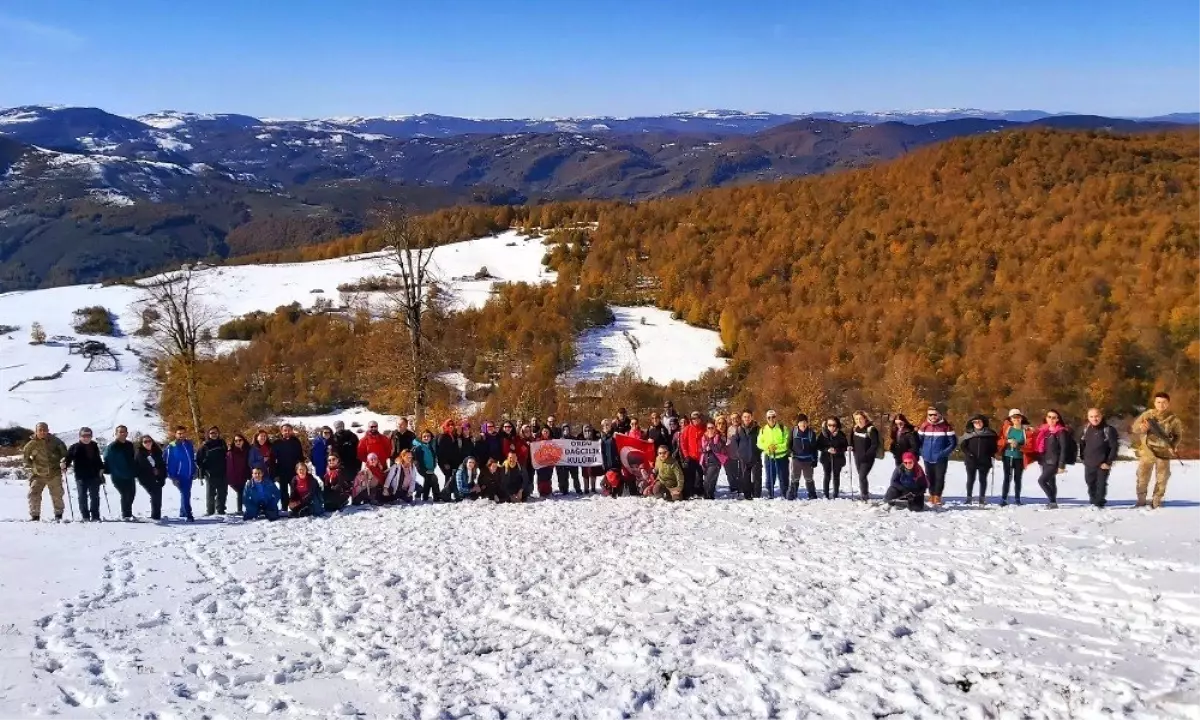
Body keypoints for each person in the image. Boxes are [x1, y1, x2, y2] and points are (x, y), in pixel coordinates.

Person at [1133, 392, 1184, 509]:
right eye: (1158, 402)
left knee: (1162, 479)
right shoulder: (1147, 415)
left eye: (1164, 402)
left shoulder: (1173, 419)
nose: (1161, 405)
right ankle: (1141, 500)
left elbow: (1178, 435)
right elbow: (1135, 428)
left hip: (1164, 453)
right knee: (1142, 477)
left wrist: (1173, 446)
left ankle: (1157, 501)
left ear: (1168, 404)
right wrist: (1141, 428)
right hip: (1147, 451)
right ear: (1154, 403)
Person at [23, 422, 68, 522]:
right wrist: (34, 466)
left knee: (57, 494)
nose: (43, 432)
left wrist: (64, 463)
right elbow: (25, 458)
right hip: (38, 475)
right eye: (40, 430)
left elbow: (65, 454)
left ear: (48, 430)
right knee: (33, 493)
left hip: (54, 473)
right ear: (36, 431)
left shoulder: (56, 442)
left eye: (45, 430)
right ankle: (35, 516)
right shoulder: (31, 444)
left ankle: (58, 515)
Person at [1032, 409, 1074, 509]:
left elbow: (1064, 449)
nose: (1051, 419)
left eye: (1054, 417)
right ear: (1046, 418)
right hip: (1044, 460)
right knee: (1051, 482)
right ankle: (1053, 502)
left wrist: (1061, 465)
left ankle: (1052, 501)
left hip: (1054, 461)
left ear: (1057, 419)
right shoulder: (1044, 430)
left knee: (1041, 481)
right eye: (1049, 417)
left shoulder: (1061, 432)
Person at [1079, 408, 1119, 509]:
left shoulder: (1109, 430)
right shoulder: (1086, 428)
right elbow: (1082, 443)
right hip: (1089, 462)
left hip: (1102, 463)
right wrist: (1083, 456)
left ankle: (1099, 503)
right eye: (1091, 416)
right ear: (1088, 417)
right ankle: (1094, 500)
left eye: (1096, 416)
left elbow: (1114, 447)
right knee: (1090, 482)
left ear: (1101, 416)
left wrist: (1108, 462)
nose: (1094, 419)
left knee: (1101, 485)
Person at [64, 426, 105, 522]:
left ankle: (95, 516)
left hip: (94, 475)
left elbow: (98, 459)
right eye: (84, 435)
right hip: (81, 476)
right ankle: (85, 516)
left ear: (91, 436)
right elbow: (68, 458)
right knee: (82, 496)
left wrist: (101, 468)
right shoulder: (74, 447)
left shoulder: (94, 446)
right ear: (80, 436)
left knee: (95, 496)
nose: (86, 437)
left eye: (88, 435)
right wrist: (64, 465)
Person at [917, 408, 956, 507]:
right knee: (929, 477)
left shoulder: (946, 427)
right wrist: (922, 452)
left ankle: (937, 496)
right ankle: (931, 494)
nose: (932, 417)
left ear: (939, 415)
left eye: (935, 414)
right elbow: (918, 442)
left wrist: (943, 453)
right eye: (930, 415)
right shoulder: (924, 426)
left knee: (939, 477)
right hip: (927, 457)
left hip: (940, 458)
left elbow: (953, 443)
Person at [959, 415, 998, 505]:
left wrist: (991, 453)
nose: (978, 424)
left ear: (983, 422)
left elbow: (994, 447)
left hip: (985, 460)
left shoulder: (990, 434)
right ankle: (969, 497)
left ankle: (982, 498)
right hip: (971, 460)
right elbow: (963, 446)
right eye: (975, 422)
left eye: (979, 421)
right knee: (970, 479)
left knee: (983, 479)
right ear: (972, 424)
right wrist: (969, 454)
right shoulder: (968, 433)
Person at [103, 425, 138, 521]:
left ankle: (128, 513)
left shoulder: (129, 445)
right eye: (120, 432)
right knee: (125, 493)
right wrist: (105, 470)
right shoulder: (112, 446)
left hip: (129, 474)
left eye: (124, 432)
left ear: (127, 433)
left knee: (132, 494)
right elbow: (106, 459)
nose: (122, 434)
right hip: (117, 475)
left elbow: (132, 458)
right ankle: (126, 515)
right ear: (116, 433)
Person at [997, 409, 1030, 506]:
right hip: (1008, 456)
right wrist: (1008, 442)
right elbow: (999, 441)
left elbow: (1029, 445)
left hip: (1019, 457)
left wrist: (1019, 446)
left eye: (1018, 417)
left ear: (1021, 418)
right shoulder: (1007, 429)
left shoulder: (1026, 431)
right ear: (1010, 419)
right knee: (1007, 477)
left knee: (1018, 478)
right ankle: (1004, 498)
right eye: (1014, 417)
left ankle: (1017, 498)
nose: (1016, 419)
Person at [165, 426, 197, 522]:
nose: (181, 435)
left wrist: (194, 470)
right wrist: (173, 477)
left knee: (186, 494)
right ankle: (188, 514)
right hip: (179, 476)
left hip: (189, 474)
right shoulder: (172, 446)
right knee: (185, 493)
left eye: (183, 433)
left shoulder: (189, 444)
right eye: (179, 433)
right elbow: (168, 462)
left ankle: (182, 512)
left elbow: (191, 459)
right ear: (175, 434)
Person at [197, 426, 229, 516]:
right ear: (208, 434)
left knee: (222, 492)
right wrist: (202, 472)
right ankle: (210, 511)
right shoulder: (205, 446)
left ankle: (221, 509)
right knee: (210, 493)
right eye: (211, 433)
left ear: (218, 433)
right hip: (210, 473)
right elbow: (199, 460)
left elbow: (227, 455)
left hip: (222, 471)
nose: (213, 434)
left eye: (215, 432)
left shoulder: (222, 443)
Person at [756, 410, 789, 499]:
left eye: (773, 417)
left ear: (776, 417)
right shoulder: (763, 430)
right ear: (766, 419)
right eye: (769, 417)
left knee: (783, 476)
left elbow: (787, 443)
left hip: (782, 456)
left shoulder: (783, 428)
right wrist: (768, 447)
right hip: (769, 456)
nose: (771, 419)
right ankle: (770, 493)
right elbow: (759, 443)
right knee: (770, 476)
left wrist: (777, 447)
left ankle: (784, 493)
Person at [850, 411, 882, 501]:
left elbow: (874, 445)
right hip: (857, 456)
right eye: (856, 419)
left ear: (865, 418)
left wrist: (867, 455)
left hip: (868, 458)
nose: (858, 421)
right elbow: (852, 440)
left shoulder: (871, 429)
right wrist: (850, 446)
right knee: (861, 476)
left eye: (860, 418)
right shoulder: (855, 428)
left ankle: (864, 496)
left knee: (862, 476)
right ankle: (864, 493)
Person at [731, 410, 761, 499]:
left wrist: (759, 451)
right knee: (745, 477)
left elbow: (762, 440)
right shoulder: (739, 429)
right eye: (745, 417)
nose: (747, 418)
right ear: (742, 418)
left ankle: (756, 495)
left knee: (757, 477)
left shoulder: (758, 428)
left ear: (751, 417)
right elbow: (735, 441)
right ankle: (747, 495)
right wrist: (739, 452)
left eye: (748, 416)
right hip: (744, 457)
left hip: (755, 456)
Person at [134, 435, 166, 520]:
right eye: (145, 442)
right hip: (145, 478)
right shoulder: (139, 453)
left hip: (158, 477)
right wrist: (153, 471)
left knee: (157, 495)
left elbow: (162, 465)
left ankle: (156, 515)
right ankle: (155, 516)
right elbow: (142, 466)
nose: (148, 443)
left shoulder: (157, 451)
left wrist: (160, 474)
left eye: (149, 441)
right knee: (155, 494)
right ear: (142, 443)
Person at [273, 423, 305, 508]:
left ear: (292, 431)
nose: (287, 432)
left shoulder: (296, 441)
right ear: (281, 431)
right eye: (285, 430)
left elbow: (300, 456)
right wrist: (276, 474)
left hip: (294, 471)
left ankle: (294, 507)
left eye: (289, 430)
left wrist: (301, 469)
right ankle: (284, 508)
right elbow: (273, 460)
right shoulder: (277, 443)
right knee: (283, 491)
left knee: (294, 490)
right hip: (282, 471)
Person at [816, 416, 849, 499]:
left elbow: (845, 446)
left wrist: (837, 450)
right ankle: (826, 494)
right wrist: (827, 449)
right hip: (826, 458)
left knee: (836, 476)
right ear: (826, 425)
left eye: (834, 425)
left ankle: (836, 494)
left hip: (838, 458)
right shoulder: (823, 434)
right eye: (829, 425)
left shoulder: (841, 434)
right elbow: (818, 446)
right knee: (827, 475)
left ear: (837, 425)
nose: (831, 427)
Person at [789, 414, 819, 500]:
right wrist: (790, 452)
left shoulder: (811, 433)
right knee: (795, 478)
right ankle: (792, 494)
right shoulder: (793, 432)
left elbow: (814, 448)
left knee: (809, 478)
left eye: (805, 423)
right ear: (798, 424)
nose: (803, 425)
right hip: (796, 460)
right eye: (801, 423)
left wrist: (815, 459)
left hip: (808, 460)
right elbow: (789, 444)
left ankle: (812, 494)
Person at [678, 411, 706, 499]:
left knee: (700, 475)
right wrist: (686, 455)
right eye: (693, 419)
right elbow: (683, 443)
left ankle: (699, 491)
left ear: (700, 419)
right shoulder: (687, 429)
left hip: (701, 457)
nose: (695, 420)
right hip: (691, 456)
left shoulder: (704, 428)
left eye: (697, 418)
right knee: (690, 475)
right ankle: (690, 492)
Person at [700, 419, 729, 499]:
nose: (710, 429)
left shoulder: (719, 437)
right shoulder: (704, 436)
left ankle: (707, 496)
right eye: (708, 428)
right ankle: (710, 495)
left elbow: (719, 449)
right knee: (711, 480)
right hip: (706, 460)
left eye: (712, 428)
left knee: (708, 480)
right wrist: (706, 448)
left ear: (715, 428)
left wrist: (711, 443)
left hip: (716, 461)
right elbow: (701, 448)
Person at [225, 433, 252, 514]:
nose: (238, 442)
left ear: (243, 441)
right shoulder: (231, 452)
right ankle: (240, 509)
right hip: (233, 476)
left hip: (244, 475)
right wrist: (230, 478)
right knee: (240, 491)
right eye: (236, 441)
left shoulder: (247, 450)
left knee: (243, 492)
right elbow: (229, 466)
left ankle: (243, 509)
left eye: (240, 440)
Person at [412, 430, 440, 501]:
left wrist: (433, 465)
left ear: (431, 437)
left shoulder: (430, 446)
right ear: (421, 438)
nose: (426, 438)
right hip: (422, 469)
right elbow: (418, 460)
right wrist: (424, 470)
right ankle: (436, 497)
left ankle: (425, 496)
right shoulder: (419, 447)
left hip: (430, 468)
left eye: (428, 436)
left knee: (428, 481)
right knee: (434, 479)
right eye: (424, 436)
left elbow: (433, 456)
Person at [556, 423, 582, 494]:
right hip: (564, 462)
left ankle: (578, 489)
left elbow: (579, 448)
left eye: (567, 429)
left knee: (575, 477)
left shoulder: (574, 439)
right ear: (562, 430)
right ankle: (565, 490)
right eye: (564, 429)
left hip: (573, 461)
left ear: (569, 430)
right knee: (565, 477)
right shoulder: (560, 440)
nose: (566, 431)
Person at [580, 424, 603, 494]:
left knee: (593, 473)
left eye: (589, 430)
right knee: (585, 473)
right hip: (584, 457)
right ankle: (586, 488)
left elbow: (600, 440)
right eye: (585, 430)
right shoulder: (580, 436)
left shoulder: (596, 434)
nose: (587, 431)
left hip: (593, 457)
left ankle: (593, 488)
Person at [534, 426, 556, 497]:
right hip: (540, 463)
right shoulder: (537, 441)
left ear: (549, 433)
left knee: (548, 477)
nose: (545, 433)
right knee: (541, 478)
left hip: (550, 463)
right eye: (544, 431)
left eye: (547, 431)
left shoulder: (552, 441)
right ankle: (541, 492)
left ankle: (548, 491)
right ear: (541, 432)